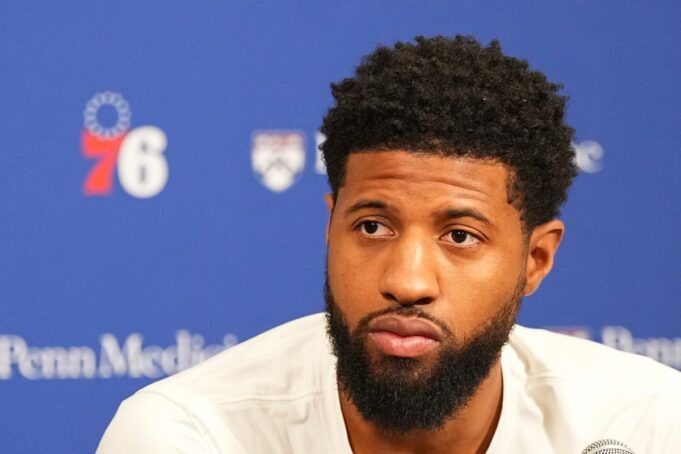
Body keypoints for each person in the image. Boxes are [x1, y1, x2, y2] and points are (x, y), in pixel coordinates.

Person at [97, 35, 681, 453]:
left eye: (460, 236)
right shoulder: (188, 436)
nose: (407, 281)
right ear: (331, 227)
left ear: (536, 260)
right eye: (373, 227)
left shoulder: (648, 422)